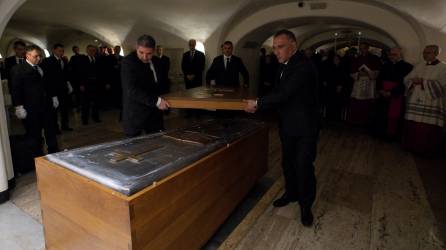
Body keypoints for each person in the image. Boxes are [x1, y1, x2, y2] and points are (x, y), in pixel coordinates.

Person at [244, 29, 320, 227]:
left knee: (303, 165)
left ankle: (306, 205)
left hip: (305, 127)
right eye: (274, 48)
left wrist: (259, 103)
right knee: (288, 162)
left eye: (280, 47)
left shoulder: (303, 66)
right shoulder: (282, 65)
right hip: (287, 124)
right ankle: (291, 193)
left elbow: (285, 93)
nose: (276, 52)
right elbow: (278, 91)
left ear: (293, 46)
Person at [10, 45, 59, 156]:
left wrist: (53, 96)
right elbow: (15, 90)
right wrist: (18, 106)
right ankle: (37, 157)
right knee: (34, 135)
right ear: (27, 55)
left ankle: (54, 154)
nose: (38, 58)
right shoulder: (18, 69)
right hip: (31, 108)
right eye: (36, 56)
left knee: (51, 131)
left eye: (40, 56)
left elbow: (47, 84)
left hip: (46, 105)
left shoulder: (41, 67)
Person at [121, 34, 170, 137]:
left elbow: (162, 84)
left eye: (149, 54)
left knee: (157, 145)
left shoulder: (158, 62)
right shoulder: (128, 62)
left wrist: (166, 101)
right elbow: (131, 90)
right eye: (141, 52)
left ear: (154, 50)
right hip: (136, 114)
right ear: (136, 47)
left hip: (154, 115)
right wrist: (157, 101)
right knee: (134, 149)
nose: (145, 57)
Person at [402, 45, 446, 155]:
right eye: (424, 52)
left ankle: (425, 150)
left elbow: (442, 86)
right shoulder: (419, 65)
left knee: (427, 128)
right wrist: (412, 81)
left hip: (431, 101)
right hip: (416, 99)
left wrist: (423, 82)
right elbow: (407, 79)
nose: (425, 55)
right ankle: (410, 146)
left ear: (436, 54)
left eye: (428, 53)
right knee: (413, 125)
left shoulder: (443, 68)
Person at [374, 47, 413, 140]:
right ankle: (380, 133)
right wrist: (381, 90)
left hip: (396, 95)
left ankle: (392, 135)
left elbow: (405, 83)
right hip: (383, 94)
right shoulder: (385, 65)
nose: (391, 56)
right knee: (381, 114)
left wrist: (391, 92)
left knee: (394, 116)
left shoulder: (408, 67)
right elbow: (379, 79)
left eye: (394, 54)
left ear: (400, 54)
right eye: (390, 54)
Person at [42, 43, 73, 132]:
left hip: (63, 89)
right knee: (54, 111)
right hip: (53, 90)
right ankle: (55, 128)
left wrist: (68, 84)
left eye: (62, 51)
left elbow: (65, 74)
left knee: (64, 109)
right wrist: (52, 94)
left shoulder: (63, 60)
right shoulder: (47, 61)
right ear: (54, 50)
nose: (61, 52)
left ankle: (65, 125)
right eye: (59, 51)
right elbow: (47, 78)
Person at [349, 42, 381, 127]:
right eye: (361, 48)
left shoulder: (374, 58)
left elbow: (378, 71)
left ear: (367, 48)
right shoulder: (357, 59)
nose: (362, 50)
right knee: (358, 104)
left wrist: (369, 73)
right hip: (359, 83)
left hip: (370, 84)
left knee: (368, 104)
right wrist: (358, 74)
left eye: (364, 48)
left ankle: (368, 123)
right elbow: (351, 72)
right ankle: (357, 122)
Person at [79, 45, 101, 124]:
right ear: (87, 51)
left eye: (93, 50)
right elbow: (80, 73)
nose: (92, 52)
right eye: (90, 50)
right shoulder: (83, 60)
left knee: (96, 102)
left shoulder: (97, 60)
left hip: (95, 84)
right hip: (86, 84)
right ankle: (85, 119)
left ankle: (95, 117)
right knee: (85, 103)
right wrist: (81, 84)